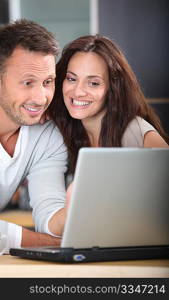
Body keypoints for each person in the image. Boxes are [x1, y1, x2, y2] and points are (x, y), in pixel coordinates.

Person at [48, 34, 169, 236]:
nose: (78, 91)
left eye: (93, 83)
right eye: (71, 79)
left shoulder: (138, 133)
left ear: (112, 88)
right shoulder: (67, 127)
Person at [0, 19, 68, 251]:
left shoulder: (48, 135)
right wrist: (59, 245)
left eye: (47, 82)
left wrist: (73, 211)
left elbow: (48, 215)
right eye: (28, 82)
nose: (41, 98)